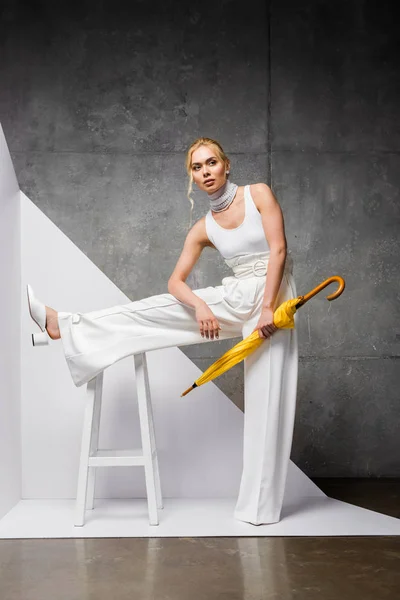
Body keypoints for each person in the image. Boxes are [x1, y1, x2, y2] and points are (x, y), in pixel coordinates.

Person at [27, 136, 298, 526]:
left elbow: (279, 250)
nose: (205, 172)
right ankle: (65, 326)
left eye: (211, 163)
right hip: (238, 297)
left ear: (226, 165)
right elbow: (175, 282)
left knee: (267, 401)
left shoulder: (259, 194)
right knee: (154, 311)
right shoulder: (203, 227)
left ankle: (259, 510)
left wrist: (270, 307)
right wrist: (201, 305)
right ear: (191, 174)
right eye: (196, 167)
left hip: (274, 299)